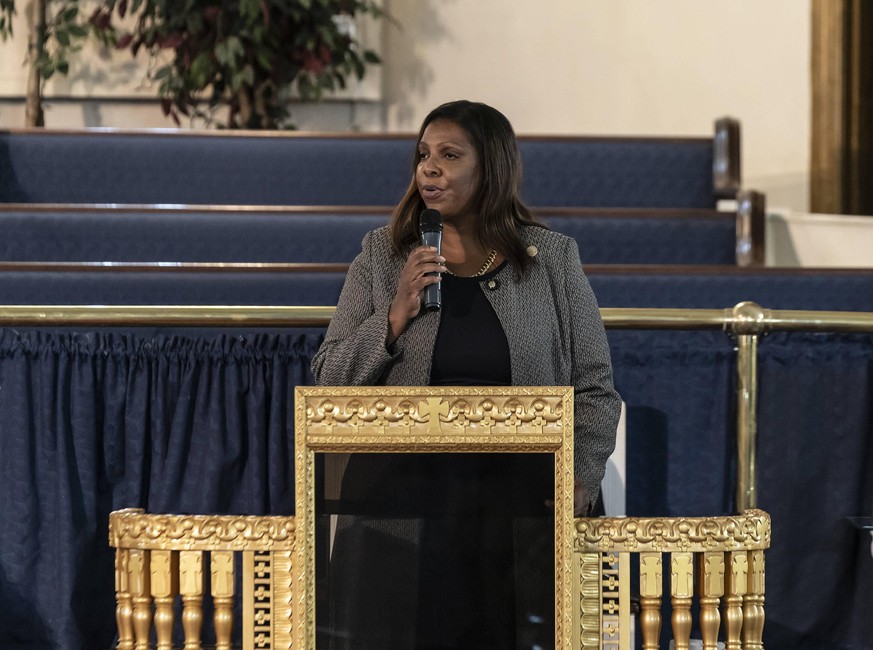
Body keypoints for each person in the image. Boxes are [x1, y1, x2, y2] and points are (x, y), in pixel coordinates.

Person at [312, 99, 622, 649]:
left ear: (490, 168)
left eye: (449, 155)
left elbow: (595, 387)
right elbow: (326, 381)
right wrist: (393, 316)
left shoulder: (550, 259)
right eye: (423, 155)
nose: (429, 169)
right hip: (401, 509)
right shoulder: (384, 257)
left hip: (517, 510)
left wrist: (580, 477)